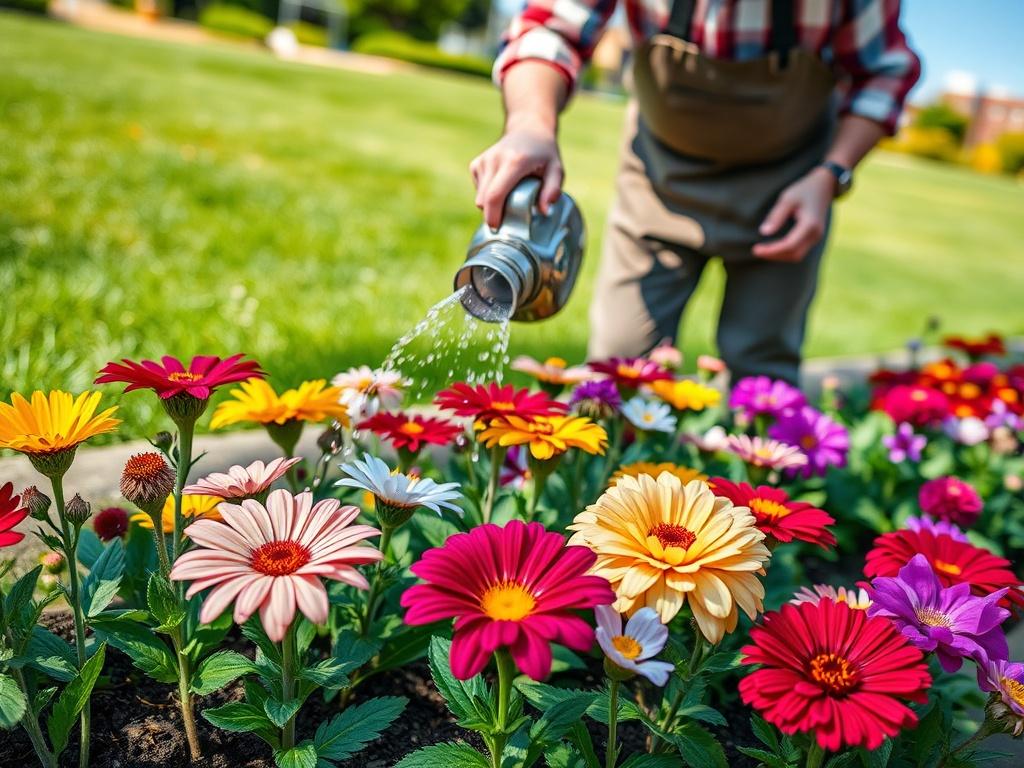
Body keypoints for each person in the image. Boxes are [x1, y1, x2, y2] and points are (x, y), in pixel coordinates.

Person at [471, 0, 920, 384]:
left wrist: (830, 174)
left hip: (790, 190)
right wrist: (530, 125)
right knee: (619, 368)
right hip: (659, 179)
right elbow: (550, 28)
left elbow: (886, 72)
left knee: (763, 374)